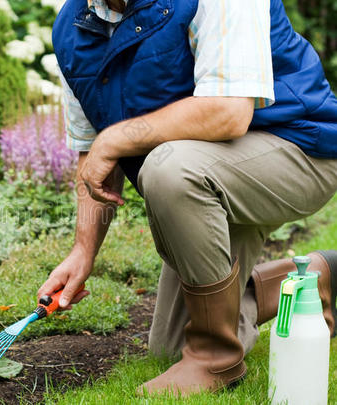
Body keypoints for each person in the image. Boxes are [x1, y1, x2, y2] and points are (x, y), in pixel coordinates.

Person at [37, 0, 337, 396]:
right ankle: (314, 281)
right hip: (208, 168)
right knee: (171, 348)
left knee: (168, 167)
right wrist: (82, 250)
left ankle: (215, 359)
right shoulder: (73, 29)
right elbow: (94, 155)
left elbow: (228, 113)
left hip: (299, 147)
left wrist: (115, 139)